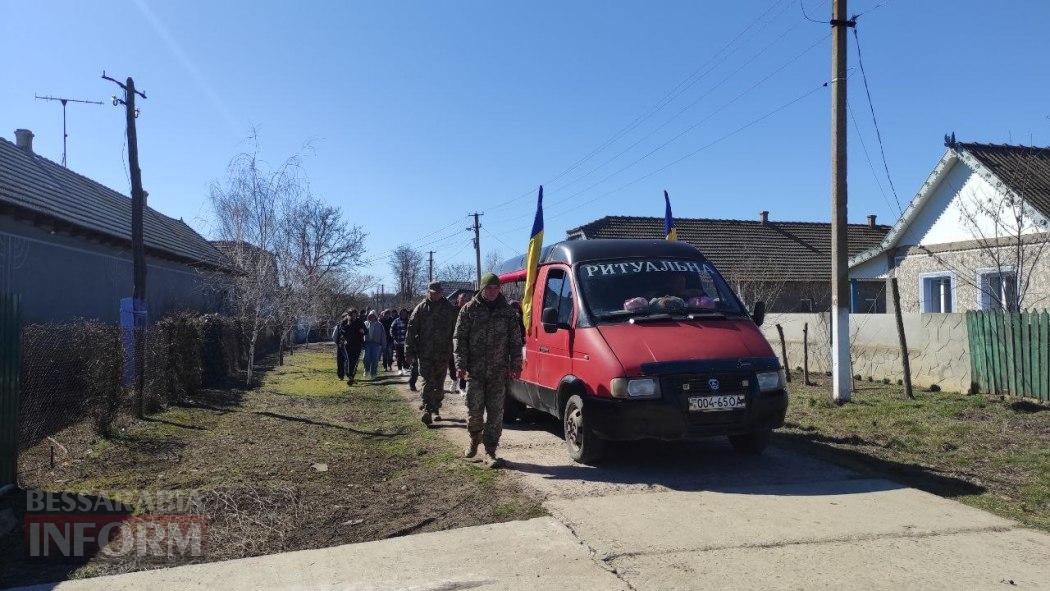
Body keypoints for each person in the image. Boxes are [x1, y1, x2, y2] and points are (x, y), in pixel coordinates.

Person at [454, 273, 523, 467]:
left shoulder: (507, 312)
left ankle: (490, 451)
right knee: (474, 410)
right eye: (489, 288)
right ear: (482, 289)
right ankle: (475, 438)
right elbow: (460, 338)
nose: (492, 292)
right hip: (474, 372)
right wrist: (460, 364)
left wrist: (516, 364)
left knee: (495, 413)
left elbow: (515, 340)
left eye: (496, 288)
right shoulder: (469, 310)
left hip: (498, 372)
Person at [406, 281, 457, 426]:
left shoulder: (449, 308)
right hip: (425, 353)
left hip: (443, 353)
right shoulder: (421, 308)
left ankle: (436, 408)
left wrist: (456, 350)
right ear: (428, 292)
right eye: (433, 293)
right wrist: (408, 351)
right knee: (428, 381)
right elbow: (411, 330)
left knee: (439, 384)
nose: (436, 295)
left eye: (438, 293)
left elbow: (456, 331)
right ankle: (427, 410)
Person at [342, 309, 367, 385]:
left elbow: (366, 331)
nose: (354, 316)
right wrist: (348, 325)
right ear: (349, 315)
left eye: (355, 315)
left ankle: (351, 377)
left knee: (355, 361)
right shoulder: (345, 322)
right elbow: (342, 331)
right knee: (349, 360)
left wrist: (363, 331)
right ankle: (349, 375)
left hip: (358, 344)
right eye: (352, 315)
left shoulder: (360, 321)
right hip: (348, 344)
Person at [363, 310, 386, 378]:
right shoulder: (365, 323)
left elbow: (383, 335)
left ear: (375, 317)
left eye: (373, 316)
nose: (372, 317)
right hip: (367, 343)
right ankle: (366, 371)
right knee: (366, 358)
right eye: (370, 316)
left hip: (376, 344)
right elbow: (361, 333)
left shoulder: (379, 325)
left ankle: (373, 373)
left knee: (375, 359)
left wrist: (383, 345)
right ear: (368, 316)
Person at [390, 308, 410, 374]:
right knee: (399, 356)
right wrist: (394, 337)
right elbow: (391, 330)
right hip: (398, 342)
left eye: (405, 313)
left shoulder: (409, 321)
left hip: (407, 342)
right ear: (400, 314)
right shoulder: (396, 321)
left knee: (406, 356)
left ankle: (405, 368)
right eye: (402, 313)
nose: (404, 314)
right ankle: (399, 369)